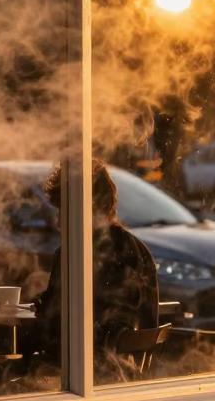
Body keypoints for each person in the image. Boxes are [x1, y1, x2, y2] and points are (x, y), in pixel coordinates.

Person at [34, 159, 159, 381]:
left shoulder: (77, 253)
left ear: (87, 207)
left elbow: (61, 332)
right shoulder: (137, 249)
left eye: (64, 210)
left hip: (86, 376)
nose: (59, 223)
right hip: (127, 376)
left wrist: (42, 308)